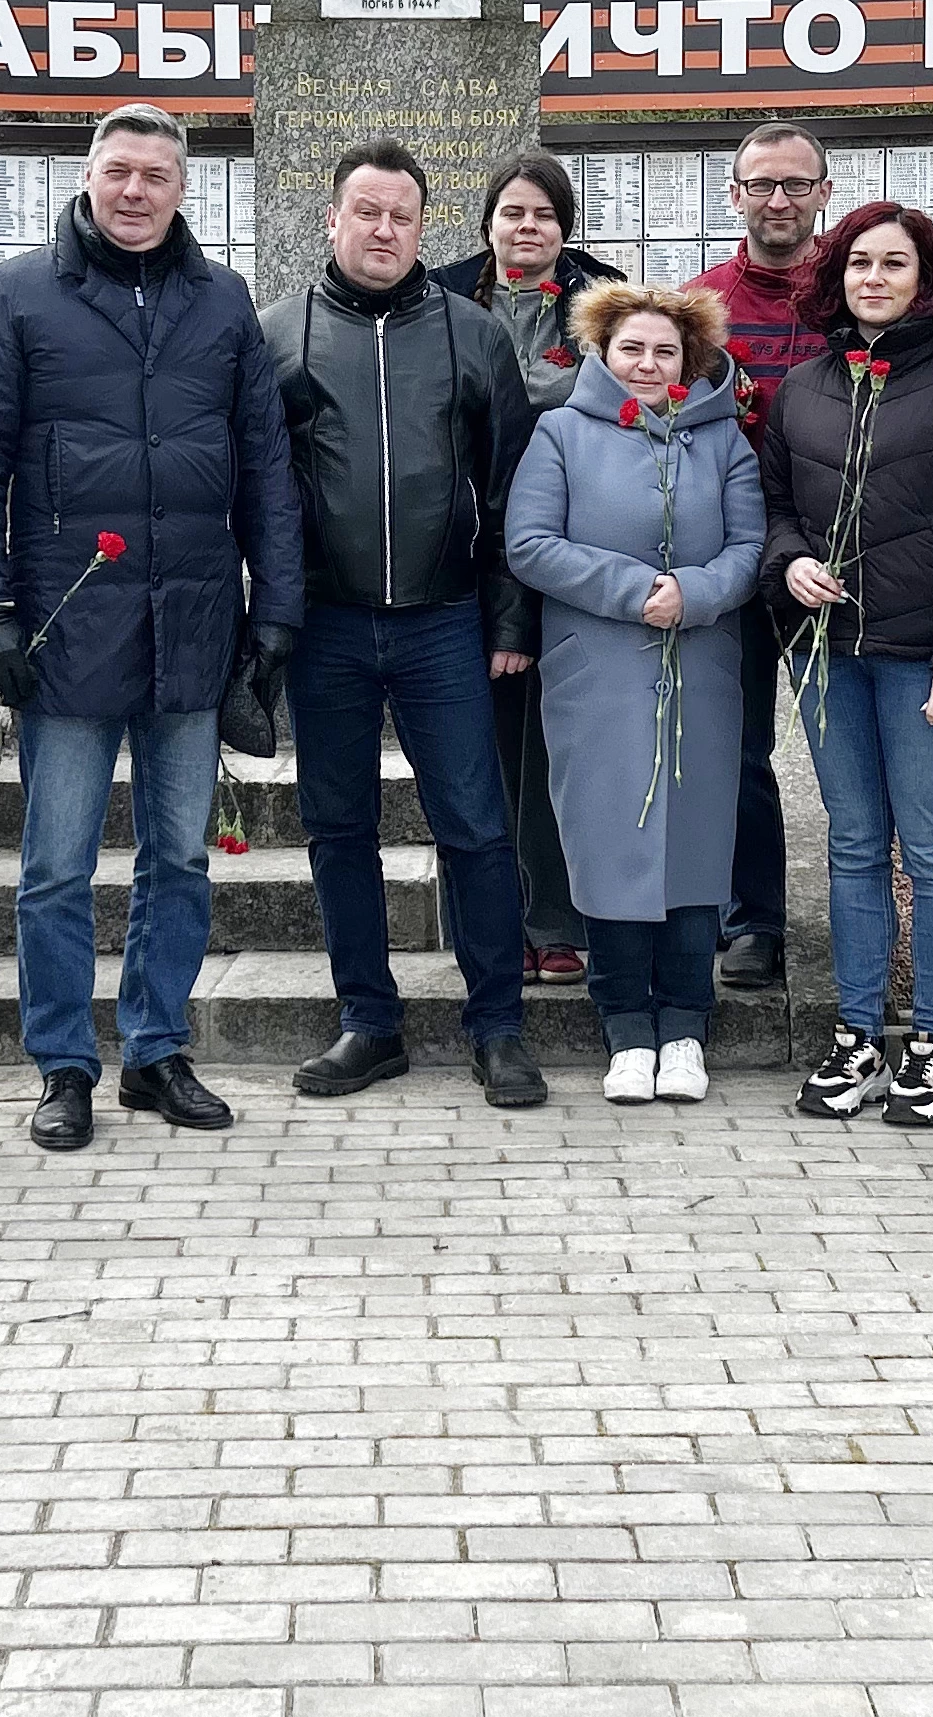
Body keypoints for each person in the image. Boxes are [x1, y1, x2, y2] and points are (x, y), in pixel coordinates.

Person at [0, 104, 304, 1151]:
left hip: (191, 620)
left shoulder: (222, 302)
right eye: (118, 172)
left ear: (184, 188)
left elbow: (265, 468)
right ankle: (63, 1063)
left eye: (156, 174)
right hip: (68, 625)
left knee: (180, 860)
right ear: (89, 178)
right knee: (56, 864)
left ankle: (155, 1048)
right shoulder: (18, 295)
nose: (136, 191)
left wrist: (274, 612)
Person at [262, 141, 548, 1110]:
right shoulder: (279, 337)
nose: (383, 230)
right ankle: (368, 1023)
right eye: (366, 212)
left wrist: (509, 619)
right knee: (337, 828)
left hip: (444, 625)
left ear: (422, 228)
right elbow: (259, 498)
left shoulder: (473, 335)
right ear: (332, 219)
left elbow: (511, 490)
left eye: (401, 216)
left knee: (473, 826)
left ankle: (498, 1027)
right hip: (329, 629)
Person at [760, 201, 933, 1129]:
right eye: (859, 263)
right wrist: (789, 561)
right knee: (852, 845)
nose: (874, 279)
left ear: (928, 279)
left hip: (926, 662)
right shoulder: (805, 388)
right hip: (831, 656)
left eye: (895, 264)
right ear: (835, 277)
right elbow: (775, 506)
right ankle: (859, 1035)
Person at [503, 282, 763, 1106]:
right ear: (602, 354)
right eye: (631, 349)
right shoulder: (560, 433)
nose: (648, 364)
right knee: (610, 843)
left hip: (701, 665)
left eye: (665, 351)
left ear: (689, 362)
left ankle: (685, 1024)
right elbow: (530, 542)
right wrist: (633, 587)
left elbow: (751, 543)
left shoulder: (724, 443)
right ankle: (624, 1026)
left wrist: (695, 590)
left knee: (693, 846)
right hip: (599, 671)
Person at [437, 151, 621, 991]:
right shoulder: (439, 296)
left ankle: (557, 921)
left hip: (571, 554)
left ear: (565, 227)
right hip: (464, 555)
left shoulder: (604, 300)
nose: (528, 228)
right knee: (480, 751)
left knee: (559, 749)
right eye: (513, 212)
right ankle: (488, 922)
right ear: (488, 223)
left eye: (544, 214)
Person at [690, 122, 837, 991]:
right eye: (761, 185)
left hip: (837, 559)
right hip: (735, 557)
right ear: (734, 194)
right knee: (731, 748)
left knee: (845, 750)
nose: (777, 200)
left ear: (824, 191)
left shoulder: (859, 291)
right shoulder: (700, 301)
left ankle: (865, 922)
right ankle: (751, 919)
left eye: (795, 184)